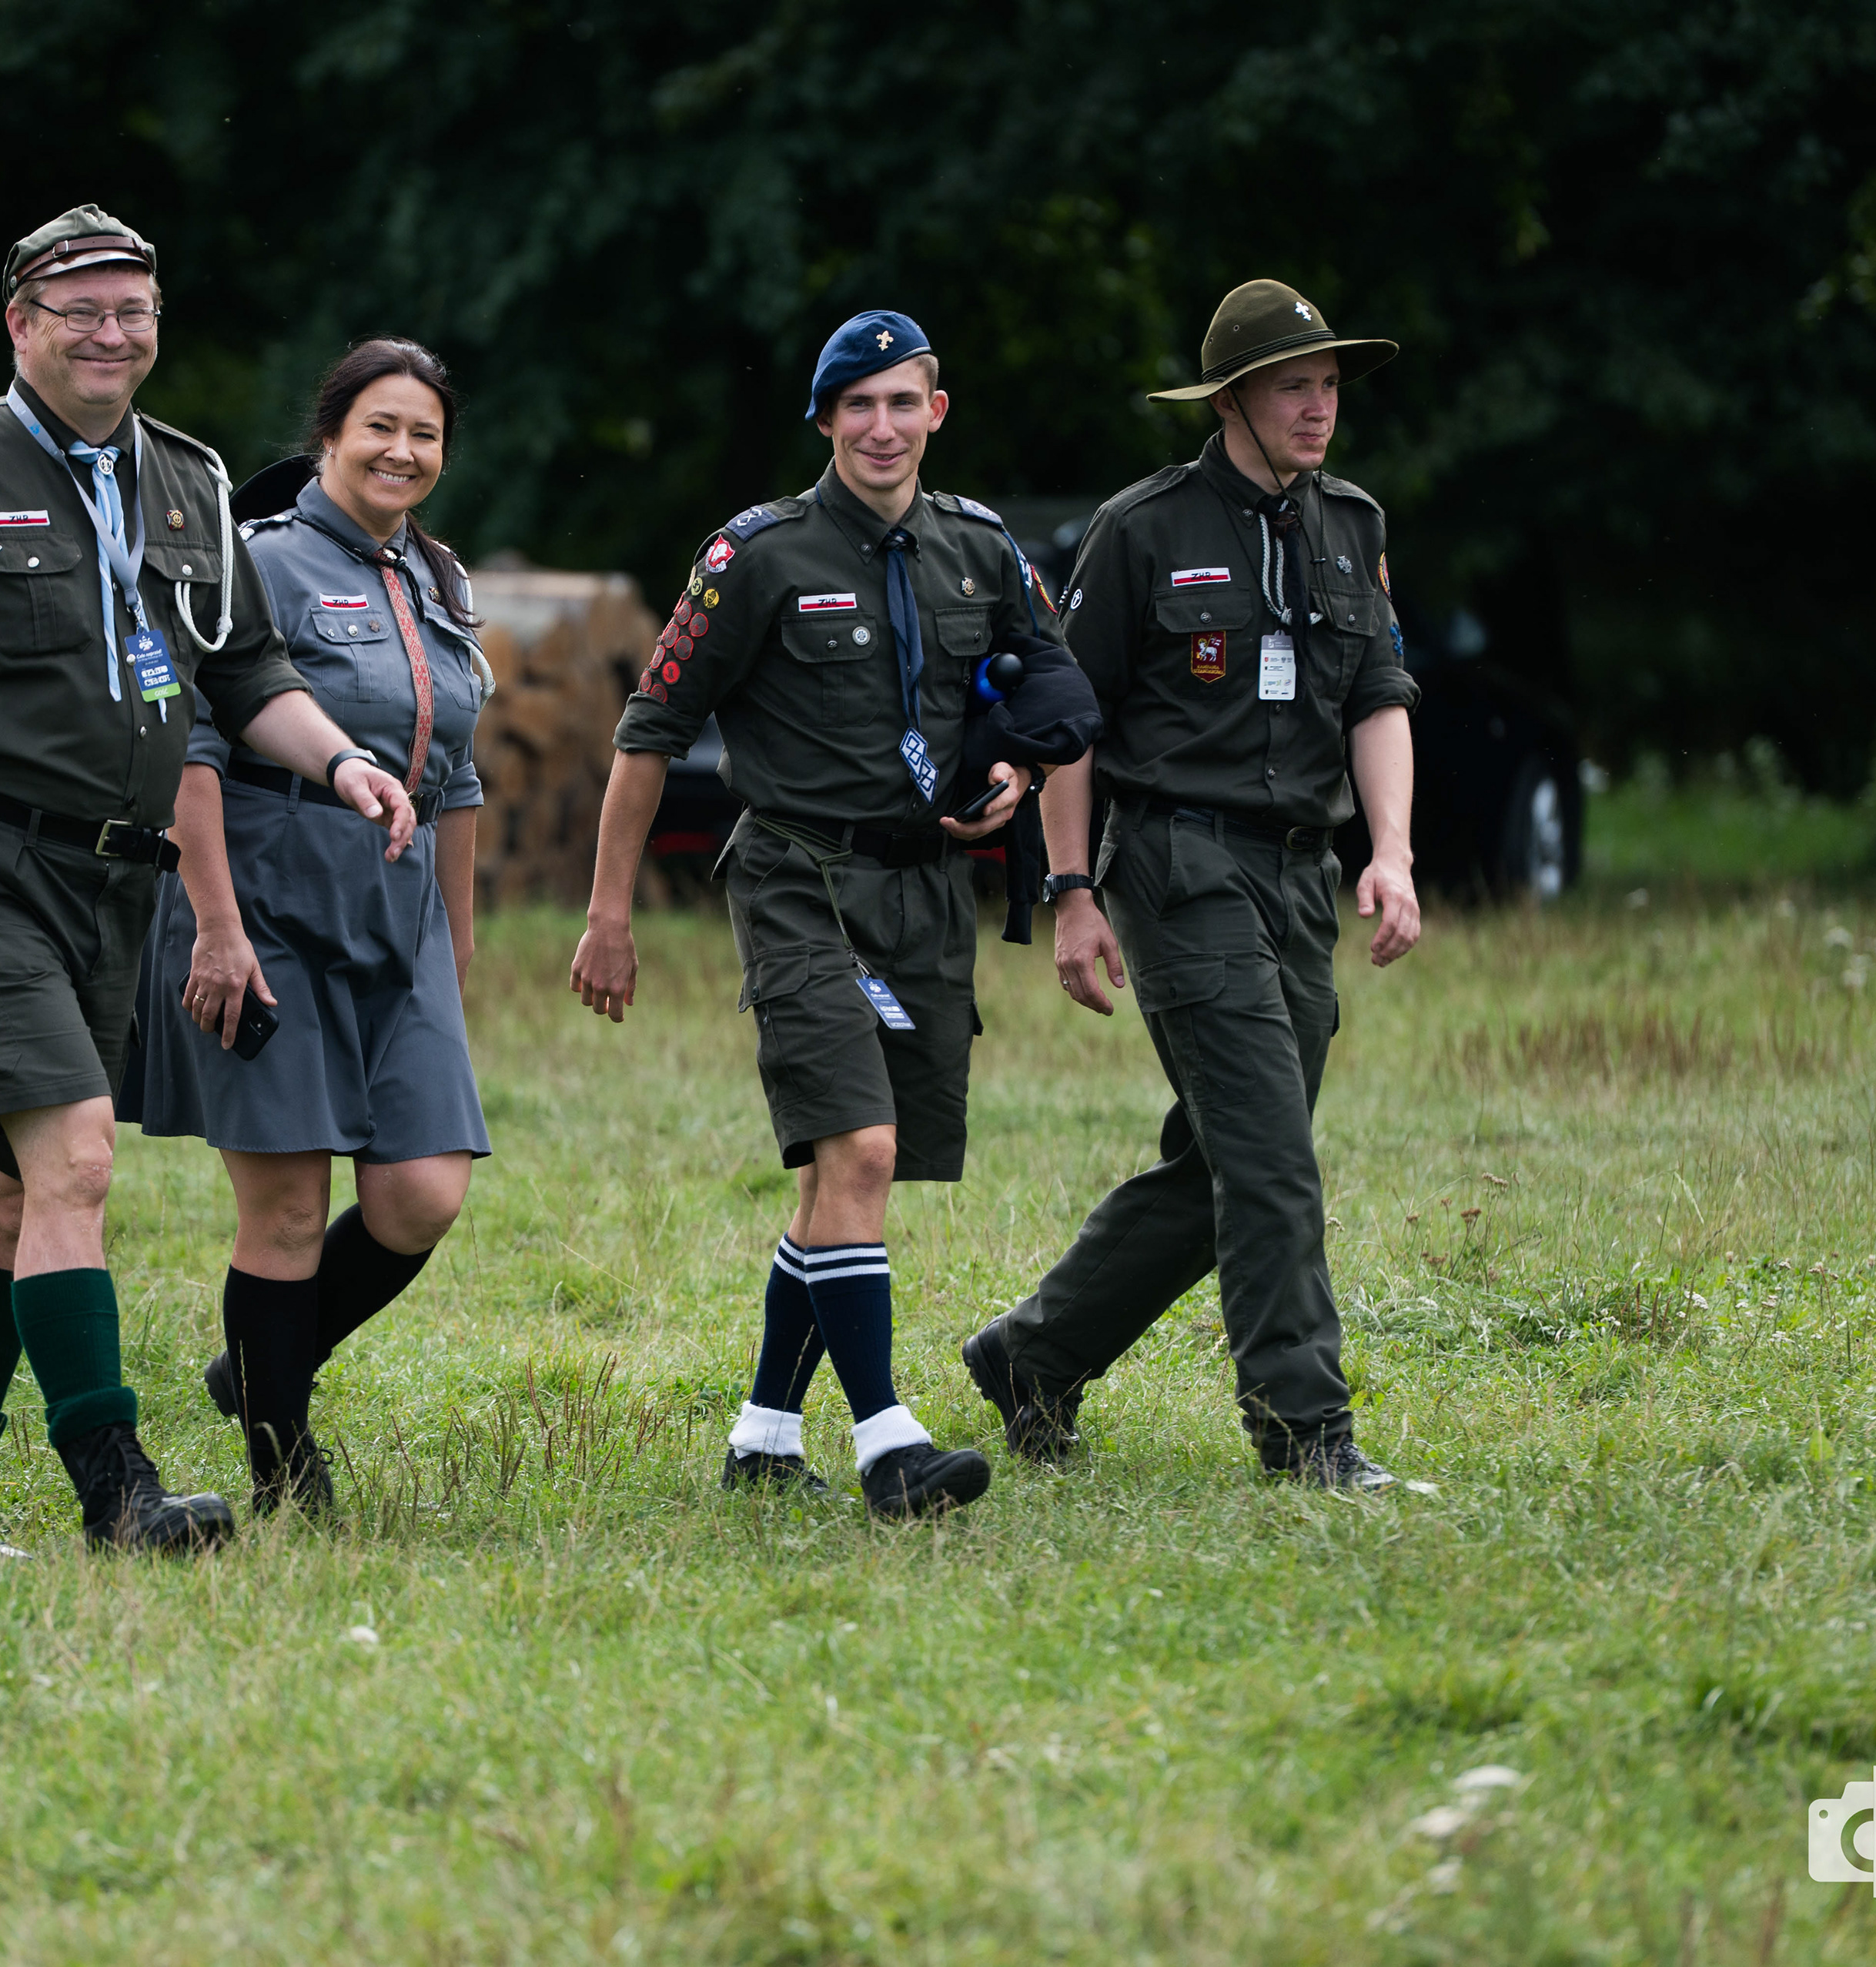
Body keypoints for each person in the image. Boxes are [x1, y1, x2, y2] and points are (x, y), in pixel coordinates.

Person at [0, 205, 421, 1553]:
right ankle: (117, 1489)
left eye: (133, 311)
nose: (111, 334)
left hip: (117, 885)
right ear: (21, 324)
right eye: (81, 310)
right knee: (78, 1159)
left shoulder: (189, 479)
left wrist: (343, 761)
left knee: (5, 1192)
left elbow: (246, 676)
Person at [957, 278, 1426, 1491]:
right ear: (1232, 400)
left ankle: (1034, 1355)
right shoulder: (1145, 529)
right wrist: (1071, 892)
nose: (1318, 408)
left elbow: (1379, 698)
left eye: (1329, 385)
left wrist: (1391, 853)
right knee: (1271, 1161)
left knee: (1230, 1157)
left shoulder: (1352, 524)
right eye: (1292, 387)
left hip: (1300, 872)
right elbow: (1069, 723)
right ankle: (1306, 1433)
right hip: (1178, 863)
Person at [572, 310, 1041, 1520]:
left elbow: (1045, 690)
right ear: (826, 421)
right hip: (797, 881)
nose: (882, 427)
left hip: (924, 892)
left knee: (849, 1175)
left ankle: (765, 1437)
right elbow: (649, 734)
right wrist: (609, 914)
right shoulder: (757, 555)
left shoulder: (981, 547)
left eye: (903, 402)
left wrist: (1016, 776)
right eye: (857, 406)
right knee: (862, 1150)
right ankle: (890, 1444)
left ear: (937, 412)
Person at [117, 338, 493, 1516]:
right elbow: (189, 747)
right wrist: (216, 926)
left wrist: (457, 940)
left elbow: (459, 776)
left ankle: (259, 1366)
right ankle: (285, 1468)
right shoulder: (260, 564)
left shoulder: (442, 580)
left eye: (424, 432)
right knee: (284, 1206)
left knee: (421, 1193)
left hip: (400, 913)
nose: (402, 451)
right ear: (329, 435)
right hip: (266, 897)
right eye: (380, 425)